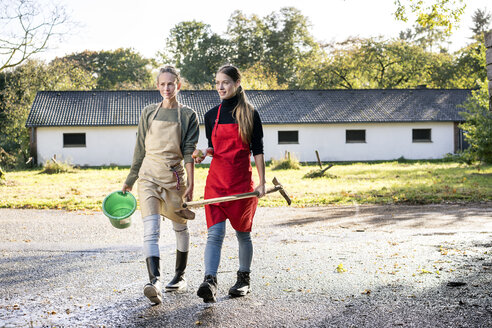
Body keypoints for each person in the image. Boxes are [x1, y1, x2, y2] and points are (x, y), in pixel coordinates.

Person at [122, 66, 199, 305]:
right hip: (148, 177)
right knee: (151, 229)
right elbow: (139, 150)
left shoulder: (188, 116)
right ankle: (154, 281)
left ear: (179, 85)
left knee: (180, 227)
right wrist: (130, 180)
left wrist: (192, 182)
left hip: (174, 179)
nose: (166, 88)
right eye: (162, 84)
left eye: (171, 84)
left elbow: (188, 152)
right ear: (157, 86)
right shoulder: (147, 112)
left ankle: (179, 275)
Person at [193, 64, 266, 303]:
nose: (220, 87)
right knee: (214, 234)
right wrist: (204, 154)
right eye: (217, 83)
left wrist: (262, 182)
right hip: (215, 183)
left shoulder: (250, 113)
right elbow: (215, 147)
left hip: (241, 185)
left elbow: (258, 151)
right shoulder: (210, 115)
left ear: (236, 83)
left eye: (225, 82)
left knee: (243, 235)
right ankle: (210, 281)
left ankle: (243, 280)